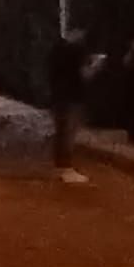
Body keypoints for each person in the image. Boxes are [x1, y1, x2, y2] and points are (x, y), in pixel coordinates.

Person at [47, 28, 92, 183]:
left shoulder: (56, 50)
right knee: (68, 133)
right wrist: (95, 67)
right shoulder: (76, 52)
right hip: (73, 97)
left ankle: (59, 167)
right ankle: (66, 168)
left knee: (61, 132)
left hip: (58, 96)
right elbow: (84, 74)